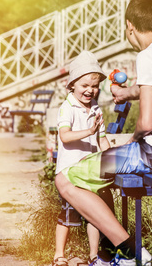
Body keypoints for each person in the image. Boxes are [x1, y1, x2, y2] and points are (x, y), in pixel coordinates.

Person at [55, 0, 152, 266]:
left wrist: (132, 142)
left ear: (129, 27)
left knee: (66, 179)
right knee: (93, 172)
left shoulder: (147, 56)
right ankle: (110, 254)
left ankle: (134, 255)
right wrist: (126, 93)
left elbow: (147, 123)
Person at [52, 51, 111, 266]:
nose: (90, 91)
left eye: (94, 86)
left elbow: (102, 139)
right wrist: (88, 131)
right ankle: (59, 254)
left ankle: (93, 255)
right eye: (85, 85)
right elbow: (65, 137)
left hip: (91, 173)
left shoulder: (95, 108)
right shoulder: (67, 107)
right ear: (72, 85)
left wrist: (111, 157)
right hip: (70, 174)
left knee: (93, 215)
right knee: (67, 215)